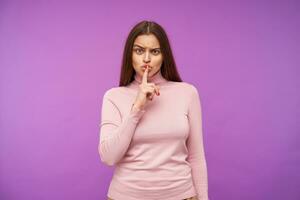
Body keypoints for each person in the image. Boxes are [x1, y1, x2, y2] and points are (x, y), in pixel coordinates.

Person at [98, 20, 209, 200]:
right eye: (139, 50)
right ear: (130, 54)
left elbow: (196, 157)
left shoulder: (187, 93)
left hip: (182, 195)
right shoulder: (114, 96)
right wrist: (137, 108)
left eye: (155, 51)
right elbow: (109, 157)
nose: (147, 59)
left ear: (164, 55)